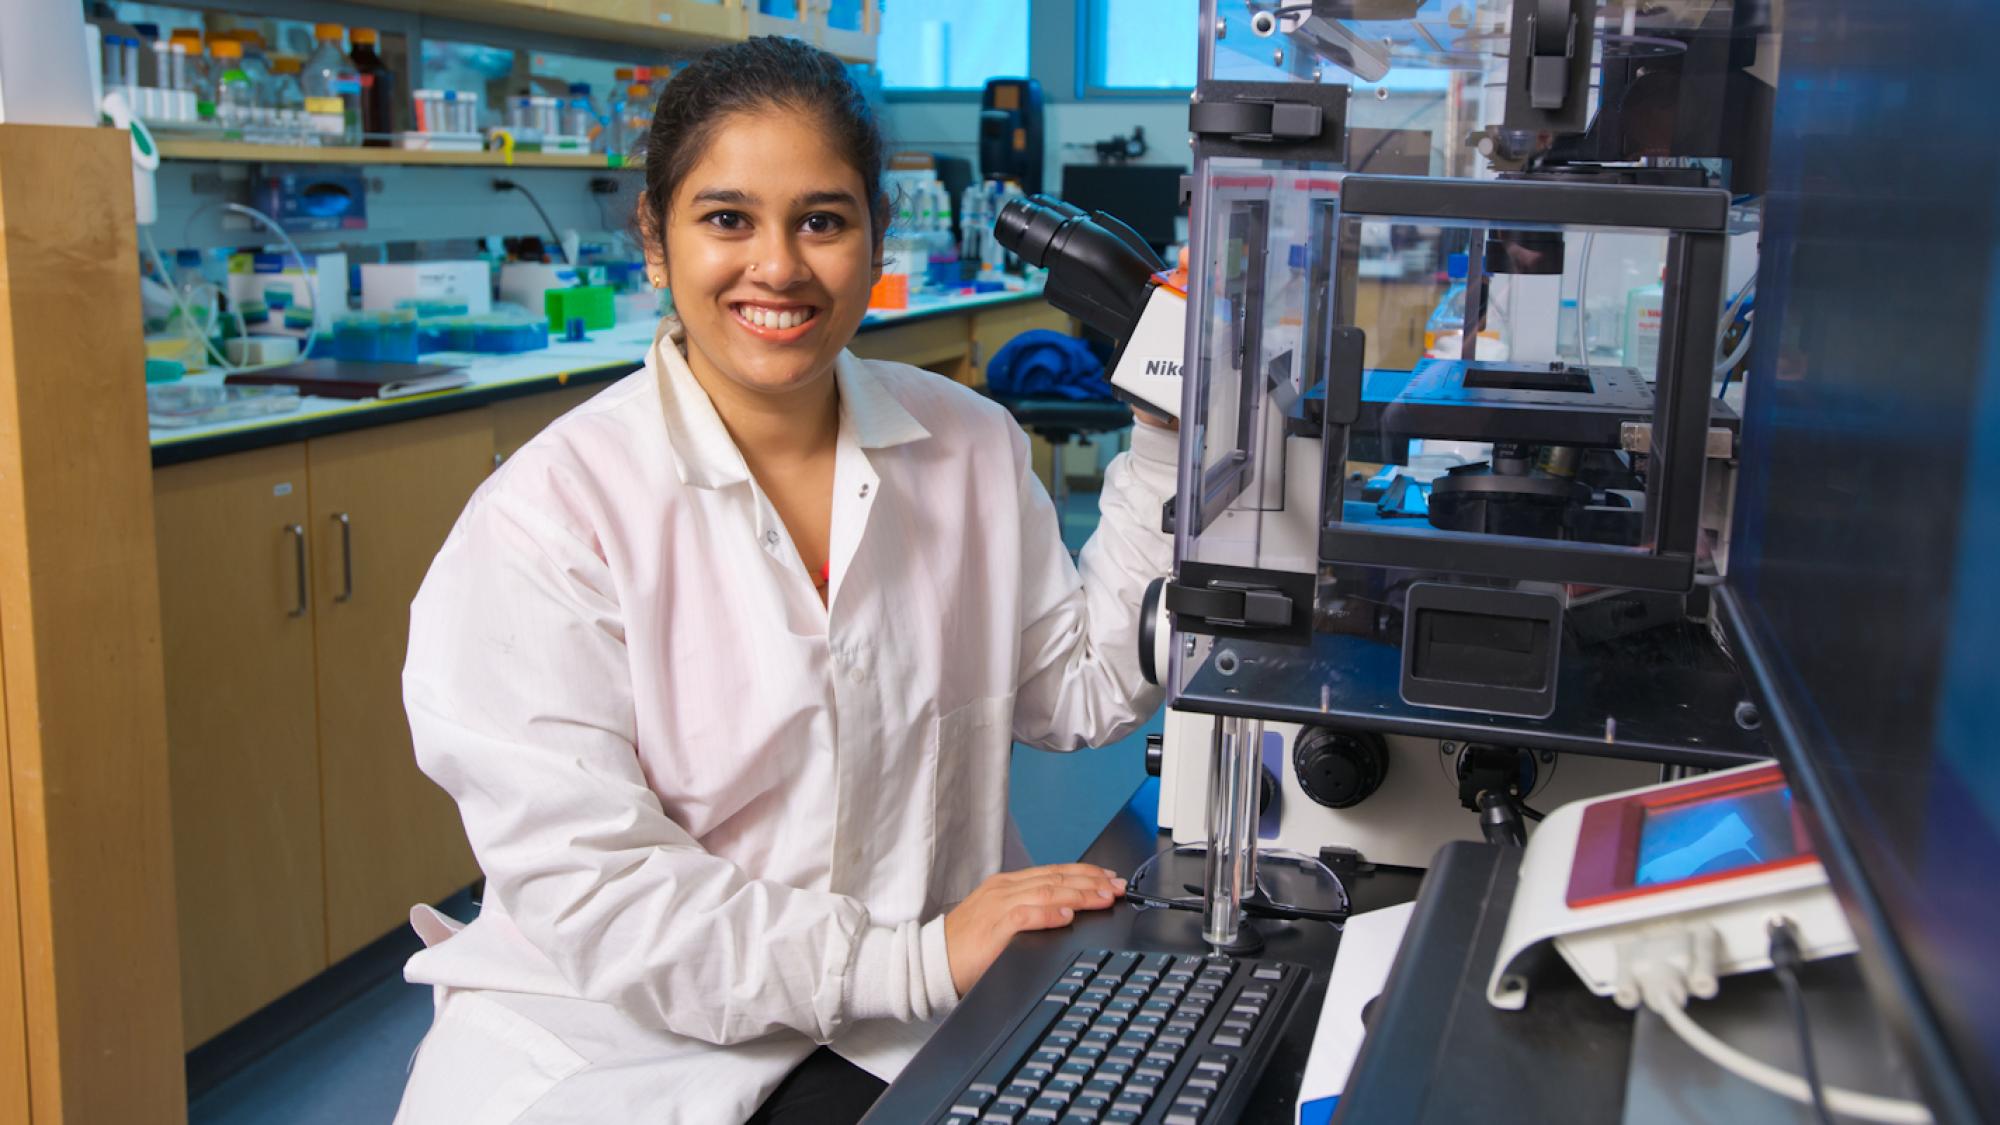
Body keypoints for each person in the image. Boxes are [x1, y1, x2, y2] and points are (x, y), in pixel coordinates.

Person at [393, 36, 1177, 1125]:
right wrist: (912, 961)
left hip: (909, 1027)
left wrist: (1167, 440)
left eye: (820, 219)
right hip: (621, 1053)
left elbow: (1075, 687)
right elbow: (602, 890)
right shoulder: (550, 518)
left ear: (871, 237)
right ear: (655, 244)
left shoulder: (968, 445)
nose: (778, 266)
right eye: (726, 220)